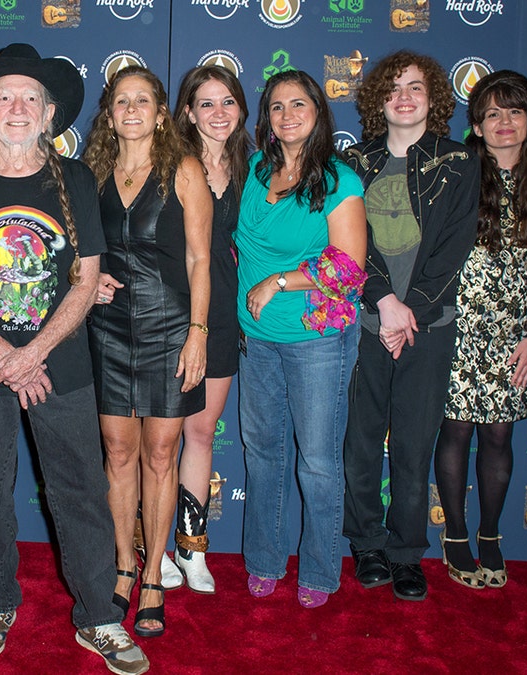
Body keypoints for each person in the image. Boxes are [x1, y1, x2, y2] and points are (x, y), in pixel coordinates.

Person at [0, 43, 149, 675]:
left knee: (79, 490)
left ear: (48, 114)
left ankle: (98, 615)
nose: (17, 108)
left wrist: (36, 352)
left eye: (30, 98)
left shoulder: (74, 181)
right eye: (4, 98)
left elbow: (85, 280)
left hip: (61, 368)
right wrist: (6, 356)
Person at [341, 51, 480, 602]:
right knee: (360, 440)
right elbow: (349, 243)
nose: (404, 96)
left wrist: (409, 311)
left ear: (434, 100)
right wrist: (384, 303)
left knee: (415, 445)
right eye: (393, 87)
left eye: (416, 88)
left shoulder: (460, 162)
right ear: (378, 100)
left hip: (429, 324)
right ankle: (366, 543)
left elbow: (454, 249)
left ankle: (405, 552)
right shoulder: (352, 162)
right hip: (363, 322)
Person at [83, 65, 212, 637]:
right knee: (116, 451)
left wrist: (198, 333)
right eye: (121, 101)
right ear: (110, 113)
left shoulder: (184, 169)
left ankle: (155, 576)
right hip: (107, 328)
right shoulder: (91, 172)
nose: (131, 109)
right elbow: (76, 249)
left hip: (169, 327)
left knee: (161, 454)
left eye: (143, 100)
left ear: (162, 113)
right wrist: (88, 281)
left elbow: (200, 261)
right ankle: (123, 564)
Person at [236, 69, 367, 609]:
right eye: (276, 107)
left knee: (315, 459)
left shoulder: (339, 179)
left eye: (298, 104)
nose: (287, 115)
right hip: (256, 338)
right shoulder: (253, 168)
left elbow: (351, 268)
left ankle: (318, 569)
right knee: (262, 453)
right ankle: (264, 560)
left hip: (318, 340)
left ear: (318, 112)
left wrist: (281, 279)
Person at [432, 70, 527, 590]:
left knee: (500, 434)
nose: (504, 122)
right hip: (458, 323)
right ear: (477, 126)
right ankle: (457, 535)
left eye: (513, 112)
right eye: (492, 113)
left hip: (513, 327)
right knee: (456, 430)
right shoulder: (459, 171)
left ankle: (491, 533)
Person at [168, 64, 252, 594]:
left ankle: (191, 548)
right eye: (206, 103)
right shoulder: (170, 162)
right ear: (188, 112)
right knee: (159, 437)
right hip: (166, 311)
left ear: (242, 108)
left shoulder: (257, 168)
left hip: (223, 317)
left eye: (228, 102)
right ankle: (148, 548)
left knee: (200, 433)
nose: (218, 113)